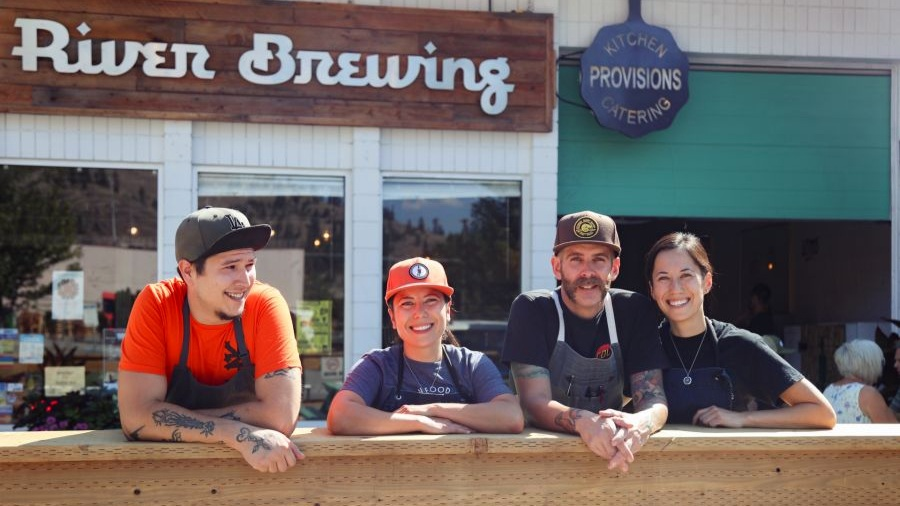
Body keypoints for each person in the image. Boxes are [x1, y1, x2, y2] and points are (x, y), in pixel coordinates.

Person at [118, 206, 304, 473]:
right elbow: (135, 418)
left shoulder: (266, 305)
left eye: (249, 265)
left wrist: (168, 418)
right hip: (167, 475)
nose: (245, 280)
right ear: (188, 272)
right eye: (230, 267)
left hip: (253, 475)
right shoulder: (157, 305)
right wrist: (236, 433)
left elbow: (281, 416)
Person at [501, 211, 668, 472]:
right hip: (536, 459)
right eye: (576, 260)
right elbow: (532, 403)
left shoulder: (633, 310)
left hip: (611, 455)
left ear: (614, 268)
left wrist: (642, 424)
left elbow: (653, 396)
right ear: (557, 267)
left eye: (598, 260)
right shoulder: (533, 309)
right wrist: (583, 421)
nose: (587, 272)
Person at [645, 232, 835, 429]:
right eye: (663, 278)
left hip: (731, 459)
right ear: (652, 289)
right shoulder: (646, 347)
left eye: (686, 275)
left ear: (707, 282)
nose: (675, 288)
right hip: (663, 461)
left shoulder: (741, 345)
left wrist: (744, 418)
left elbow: (822, 412)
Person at [327, 257, 524, 435]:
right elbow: (340, 416)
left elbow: (511, 417)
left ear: (448, 310)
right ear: (393, 317)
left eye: (430, 301)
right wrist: (419, 422)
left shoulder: (472, 364)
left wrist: (433, 409)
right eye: (407, 303)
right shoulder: (377, 365)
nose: (419, 312)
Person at [822, 340, 896, 423]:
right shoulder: (868, 394)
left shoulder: (829, 390)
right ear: (870, 365)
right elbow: (893, 431)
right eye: (880, 363)